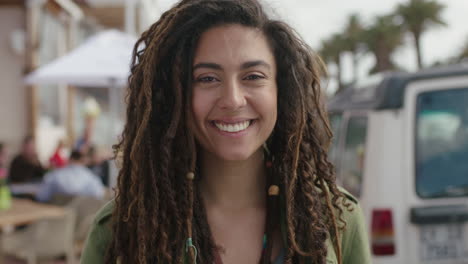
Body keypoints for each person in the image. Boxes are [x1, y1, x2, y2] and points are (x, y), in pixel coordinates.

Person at [81, 0, 371, 263]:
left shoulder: (337, 218)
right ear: (173, 95)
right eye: (207, 78)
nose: (232, 99)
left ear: (281, 92)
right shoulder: (122, 227)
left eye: (253, 77)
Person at [36, 150, 105, 202]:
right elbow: (99, 194)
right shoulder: (92, 177)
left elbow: (41, 196)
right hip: (83, 217)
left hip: (58, 216)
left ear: (69, 159)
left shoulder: (55, 175)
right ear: (82, 160)